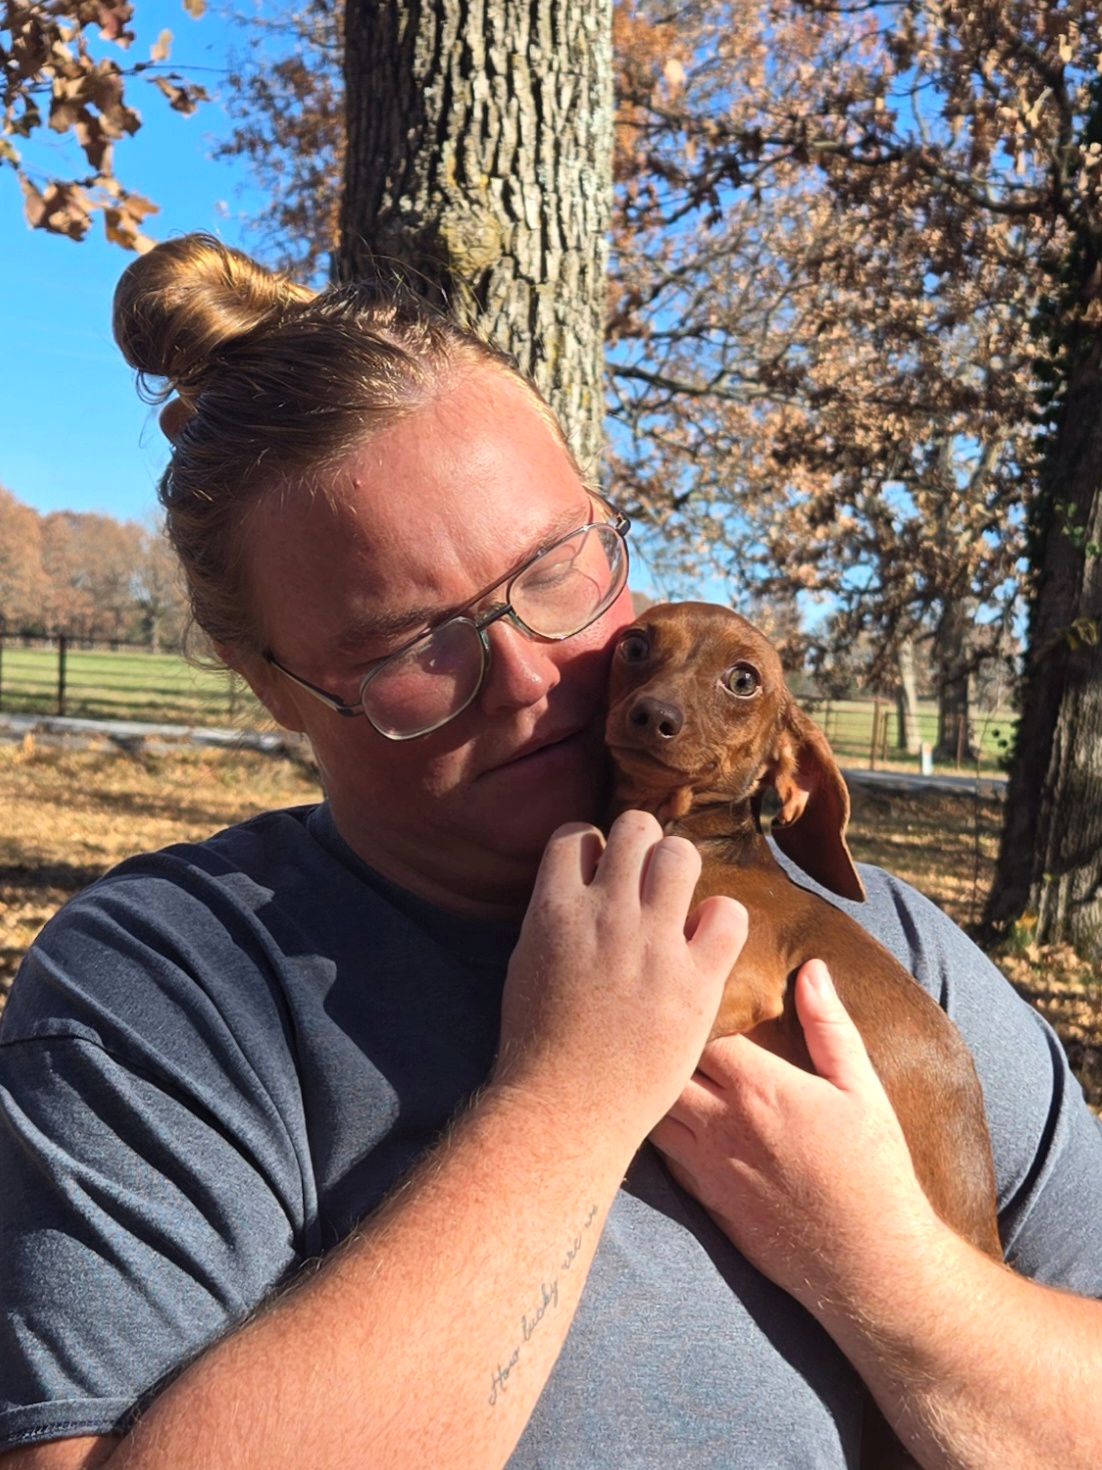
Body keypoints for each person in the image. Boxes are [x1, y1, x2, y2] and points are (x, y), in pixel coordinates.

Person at [0, 234, 1100, 1470]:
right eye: (411, 644)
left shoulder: (876, 948)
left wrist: (882, 1267)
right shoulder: (168, 991)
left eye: (554, 567)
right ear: (273, 687)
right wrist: (563, 1102)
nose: (527, 677)